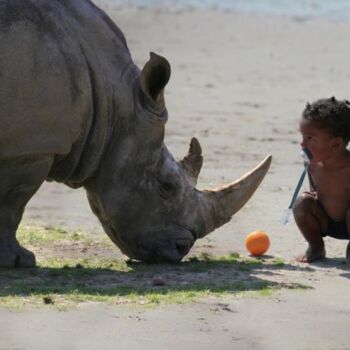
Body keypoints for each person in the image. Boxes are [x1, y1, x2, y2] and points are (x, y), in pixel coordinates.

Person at [293, 97, 350, 264]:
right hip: (326, 221)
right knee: (302, 202)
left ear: (335, 145)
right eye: (303, 137)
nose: (303, 144)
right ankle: (316, 246)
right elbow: (316, 191)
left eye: (310, 138)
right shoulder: (312, 165)